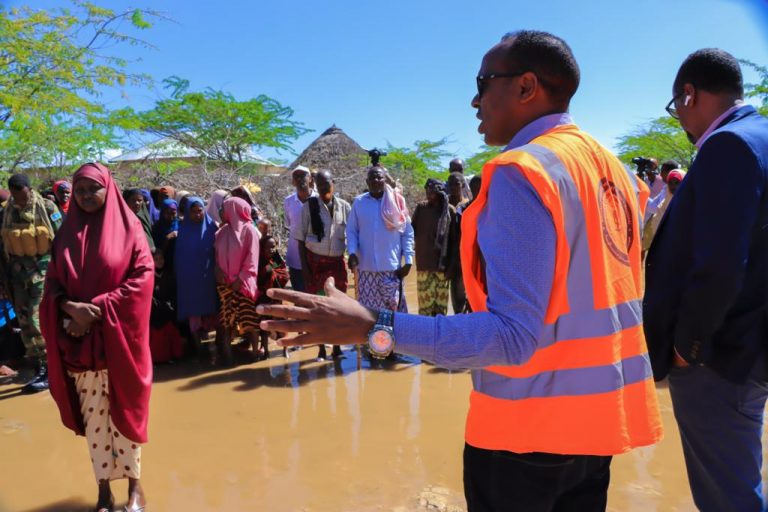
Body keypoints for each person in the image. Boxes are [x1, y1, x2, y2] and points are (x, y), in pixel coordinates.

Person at [259, 30, 662, 511]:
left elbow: (512, 337)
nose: (474, 99)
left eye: (482, 81)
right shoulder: (614, 171)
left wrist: (372, 327)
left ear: (526, 86)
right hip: (597, 427)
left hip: (527, 434)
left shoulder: (524, 170)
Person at [644, 49, 768, 512]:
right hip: (753, 342)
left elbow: (718, 264)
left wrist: (687, 348)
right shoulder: (761, 137)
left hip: (719, 357)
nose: (679, 118)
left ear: (689, 95)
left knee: (728, 496)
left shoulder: (729, 145)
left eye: (676, 107)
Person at [40, 162, 152, 512]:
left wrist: (98, 308)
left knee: (125, 413)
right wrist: (70, 308)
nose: (87, 196)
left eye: (94, 189)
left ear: (108, 189)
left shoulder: (130, 227)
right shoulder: (65, 234)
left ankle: (135, 487)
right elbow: (53, 282)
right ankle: (103, 489)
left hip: (119, 342)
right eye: (81, 190)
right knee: (95, 419)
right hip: (80, 343)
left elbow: (143, 277)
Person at [1, 173, 63, 392]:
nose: (20, 201)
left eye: (23, 195)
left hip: (43, 273)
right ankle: (39, 365)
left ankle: (50, 369)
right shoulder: (6, 211)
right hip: (17, 276)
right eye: (16, 196)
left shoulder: (47, 208)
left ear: (29, 189)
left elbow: (62, 240)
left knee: (38, 321)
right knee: (25, 323)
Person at [296, 169, 351, 360]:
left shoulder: (345, 207)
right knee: (318, 307)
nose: (322, 188)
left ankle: (336, 347)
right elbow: (300, 240)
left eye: (325, 184)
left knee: (338, 307)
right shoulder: (308, 207)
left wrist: (353, 256)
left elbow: (352, 236)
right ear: (314, 186)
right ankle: (321, 348)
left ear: (333, 182)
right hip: (315, 263)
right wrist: (304, 269)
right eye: (318, 185)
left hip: (337, 263)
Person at [346, 166, 414, 314]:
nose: (376, 180)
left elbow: (407, 233)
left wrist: (408, 260)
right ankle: (372, 338)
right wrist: (351, 252)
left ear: (385, 180)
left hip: (391, 269)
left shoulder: (397, 202)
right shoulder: (359, 203)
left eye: (379, 177)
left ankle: (395, 338)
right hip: (366, 270)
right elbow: (352, 231)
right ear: (367, 181)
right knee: (368, 316)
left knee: (394, 315)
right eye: (372, 178)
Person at [174, 197, 222, 360]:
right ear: (187, 213)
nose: (197, 214)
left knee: (213, 312)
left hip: (209, 278)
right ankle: (199, 349)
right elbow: (179, 260)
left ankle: (217, 346)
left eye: (200, 210)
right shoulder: (183, 231)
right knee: (194, 314)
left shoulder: (212, 228)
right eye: (193, 212)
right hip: (191, 281)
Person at [215, 197, 262, 359]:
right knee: (227, 321)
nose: (221, 212)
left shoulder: (249, 230)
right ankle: (228, 356)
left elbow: (252, 258)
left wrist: (240, 279)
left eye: (224, 208)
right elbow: (215, 255)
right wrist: (218, 271)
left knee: (249, 320)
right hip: (225, 284)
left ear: (233, 209)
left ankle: (255, 352)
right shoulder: (222, 231)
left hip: (243, 284)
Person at [411, 179, 457, 317]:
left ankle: (440, 338)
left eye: (431, 190)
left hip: (442, 269)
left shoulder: (449, 211)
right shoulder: (421, 209)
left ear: (440, 192)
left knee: (441, 311)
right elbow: (411, 233)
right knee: (425, 311)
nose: (428, 193)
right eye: (427, 190)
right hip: (424, 266)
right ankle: (425, 338)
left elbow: (455, 242)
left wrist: (451, 268)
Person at [283, 166, 316, 292]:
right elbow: (289, 224)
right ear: (293, 182)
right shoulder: (288, 202)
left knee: (317, 297)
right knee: (299, 297)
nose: (300, 179)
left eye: (303, 175)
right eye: (296, 176)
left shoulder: (320, 200)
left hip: (317, 258)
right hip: (295, 258)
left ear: (310, 179)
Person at [258, 235, 290, 358]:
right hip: (264, 297)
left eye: (273, 247)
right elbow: (260, 275)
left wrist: (272, 271)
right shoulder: (259, 260)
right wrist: (270, 270)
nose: (271, 250)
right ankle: (266, 351)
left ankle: (285, 349)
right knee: (264, 324)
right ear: (262, 248)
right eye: (268, 248)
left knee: (282, 323)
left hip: (277, 297)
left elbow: (285, 274)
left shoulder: (277, 259)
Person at [641, 169, 685, 255]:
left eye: (677, 182)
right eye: (671, 183)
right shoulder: (665, 199)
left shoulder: (689, 202)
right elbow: (654, 208)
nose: (673, 186)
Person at [123, 188, 156, 253]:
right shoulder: (122, 218)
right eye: (133, 200)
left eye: (139, 200)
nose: (137, 203)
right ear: (126, 201)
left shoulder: (144, 217)